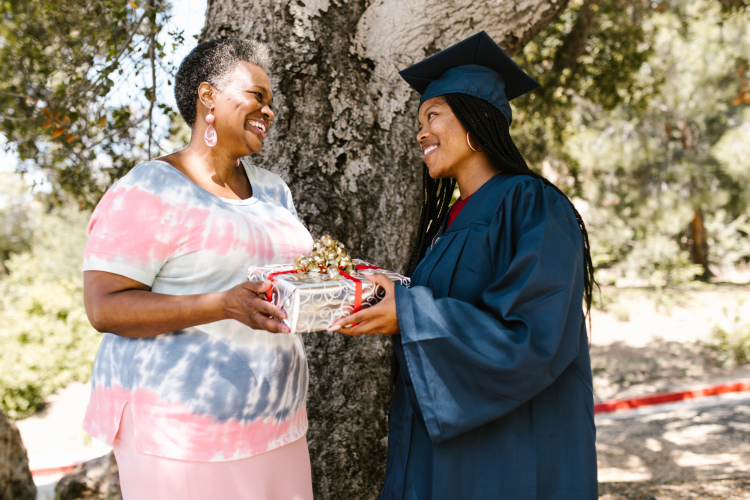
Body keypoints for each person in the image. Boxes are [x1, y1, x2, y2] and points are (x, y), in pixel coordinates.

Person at [330, 32, 598, 499]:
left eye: (432, 115)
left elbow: (534, 337)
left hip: (508, 449)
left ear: (477, 118)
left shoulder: (532, 205)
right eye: (419, 120)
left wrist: (408, 314)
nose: (421, 132)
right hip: (445, 445)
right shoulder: (446, 223)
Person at [82, 39, 314, 500]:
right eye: (257, 96)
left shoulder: (273, 191)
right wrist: (221, 305)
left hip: (280, 423)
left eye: (272, 102)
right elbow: (104, 308)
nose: (269, 111)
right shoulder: (149, 188)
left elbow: (289, 282)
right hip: (179, 437)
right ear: (208, 96)